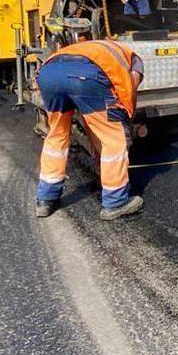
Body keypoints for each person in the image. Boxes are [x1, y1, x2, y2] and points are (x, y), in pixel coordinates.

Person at [35, 38, 146, 220]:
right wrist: (123, 119)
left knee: (56, 135)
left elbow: (90, 116)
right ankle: (116, 202)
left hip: (49, 75)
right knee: (113, 139)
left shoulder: (101, 49)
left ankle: (45, 199)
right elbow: (128, 90)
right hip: (85, 76)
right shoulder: (136, 62)